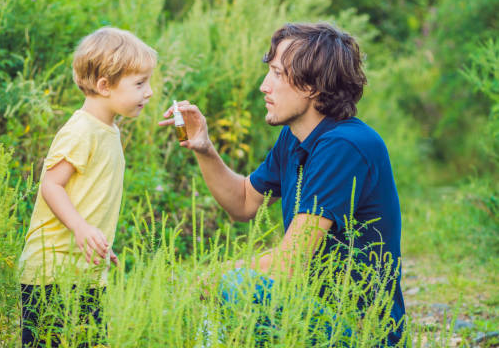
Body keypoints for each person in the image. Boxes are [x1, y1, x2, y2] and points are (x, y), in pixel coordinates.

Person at [160, 22, 405, 345]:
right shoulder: (294, 138)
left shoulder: (344, 146)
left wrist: (210, 276)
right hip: (307, 315)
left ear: (311, 86)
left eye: (277, 73)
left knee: (236, 284)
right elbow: (243, 202)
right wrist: (205, 149)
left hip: (360, 332)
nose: (264, 86)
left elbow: (290, 263)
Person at [19, 27, 156, 347]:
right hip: (50, 274)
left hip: (83, 271)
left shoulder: (108, 130)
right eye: (139, 83)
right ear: (104, 85)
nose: (148, 92)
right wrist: (81, 228)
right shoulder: (81, 130)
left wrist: (97, 242)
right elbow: (51, 185)